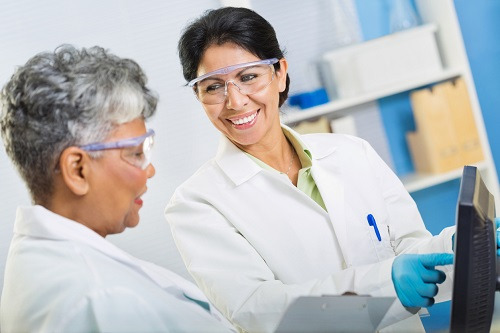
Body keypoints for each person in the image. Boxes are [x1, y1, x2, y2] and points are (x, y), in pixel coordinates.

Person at [165, 7, 457, 333]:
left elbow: (413, 253)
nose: (234, 101)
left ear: (280, 74)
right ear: (198, 95)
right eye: (213, 86)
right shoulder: (196, 204)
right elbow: (258, 310)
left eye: (248, 77)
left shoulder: (351, 152)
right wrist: (387, 286)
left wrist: (468, 248)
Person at [0, 45, 233, 332]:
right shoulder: (99, 298)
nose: (149, 170)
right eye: (136, 154)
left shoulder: (44, 263)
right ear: (77, 169)